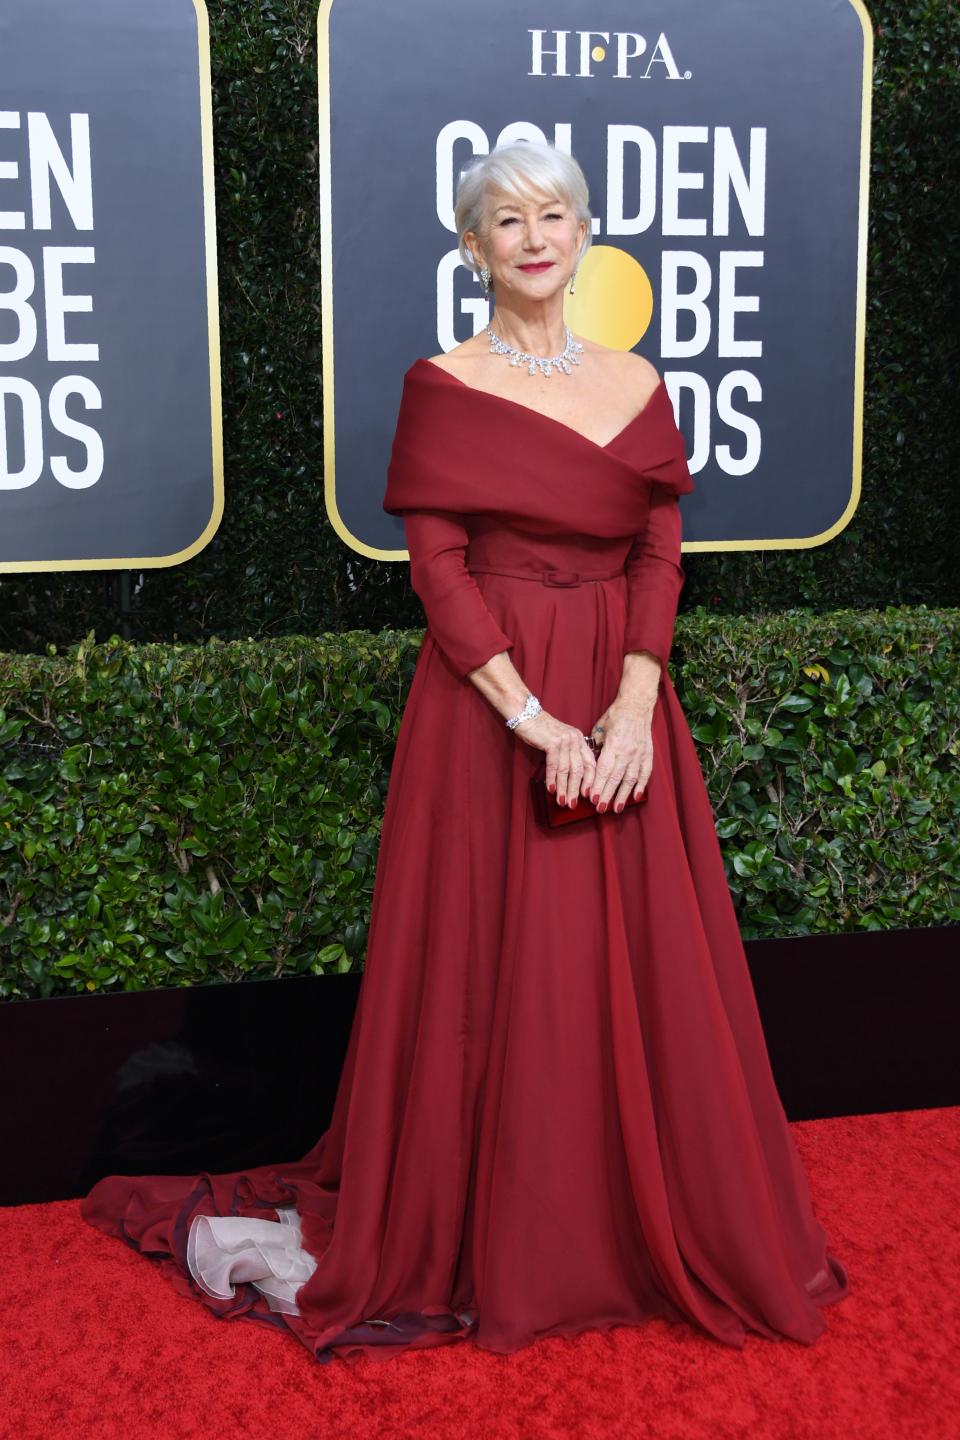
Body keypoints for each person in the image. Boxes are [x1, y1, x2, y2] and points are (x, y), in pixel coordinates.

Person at [81, 139, 849, 1363]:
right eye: (507, 220)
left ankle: (628, 1220)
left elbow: (661, 546)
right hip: (492, 715)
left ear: (584, 233)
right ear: (473, 245)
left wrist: (636, 704)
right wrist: (536, 717)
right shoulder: (440, 384)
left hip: (623, 699)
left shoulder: (640, 383)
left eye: (554, 215)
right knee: (499, 970)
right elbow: (436, 567)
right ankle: (508, 1229)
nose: (534, 237)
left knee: (633, 969)